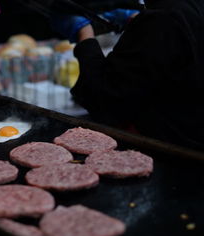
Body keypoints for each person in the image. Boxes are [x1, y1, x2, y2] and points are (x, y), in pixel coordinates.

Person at [52, 0, 204, 150]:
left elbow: (105, 99)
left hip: (172, 151)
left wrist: (84, 34)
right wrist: (141, 22)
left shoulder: (163, 18)